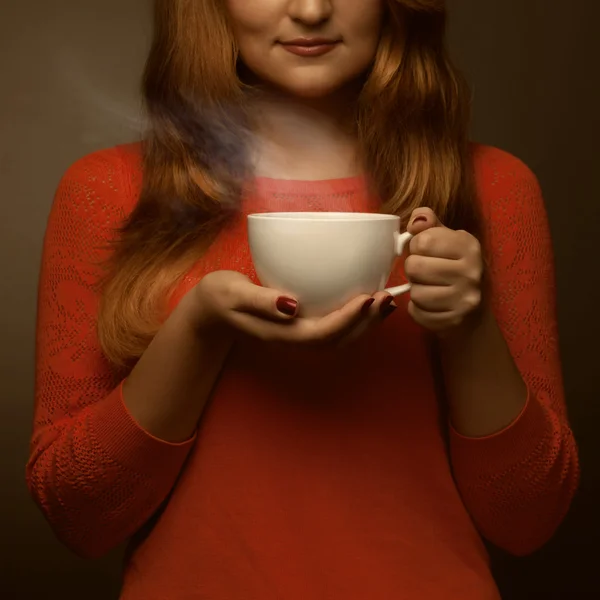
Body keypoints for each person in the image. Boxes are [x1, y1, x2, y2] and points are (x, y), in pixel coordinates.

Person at [27, 1, 579, 598]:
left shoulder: (493, 188)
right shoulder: (109, 193)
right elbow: (76, 516)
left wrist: (469, 326)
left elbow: (529, 521)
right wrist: (196, 331)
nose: (312, 9)